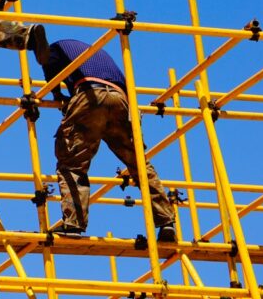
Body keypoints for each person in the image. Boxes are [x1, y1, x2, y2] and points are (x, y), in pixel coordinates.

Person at [41, 38, 176, 242]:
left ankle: (74, 223)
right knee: (138, 162)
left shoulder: (55, 48)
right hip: (121, 100)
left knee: (72, 163)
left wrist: (58, 95)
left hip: (90, 94)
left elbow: (49, 68)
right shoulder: (94, 52)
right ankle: (166, 220)